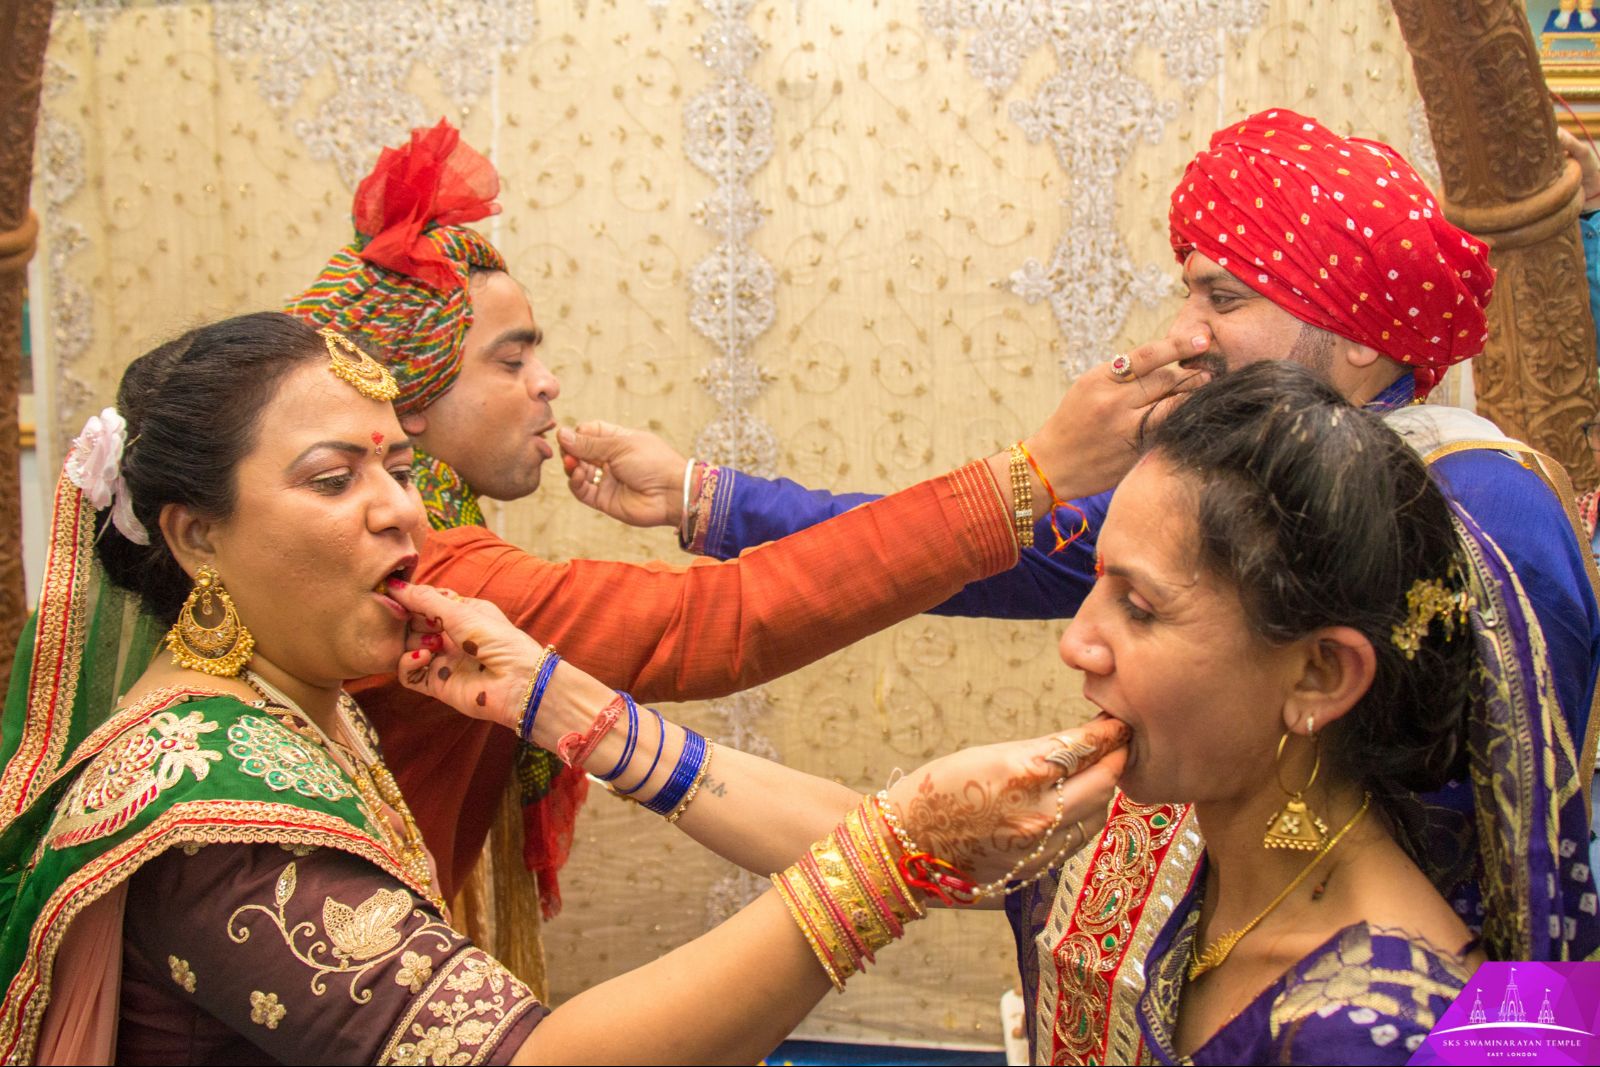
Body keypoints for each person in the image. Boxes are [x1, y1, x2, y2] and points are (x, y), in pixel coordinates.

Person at [567, 108, 1600, 970]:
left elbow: (1532, 860)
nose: (1185, 327)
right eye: (1190, 288)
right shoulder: (1247, 486)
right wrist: (706, 496)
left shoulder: (1485, 511)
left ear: (1366, 334)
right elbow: (989, 545)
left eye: (1221, 296)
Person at [0, 311, 1127, 1064]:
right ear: (197, 538)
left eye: (397, 465)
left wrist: (570, 711)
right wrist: (886, 858)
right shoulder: (210, 803)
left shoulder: (307, 694)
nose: (400, 508)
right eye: (334, 479)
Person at [286, 119, 1206, 981]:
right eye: (511, 360)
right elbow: (717, 623)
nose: (547, 382)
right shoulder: (434, 574)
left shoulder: (441, 544)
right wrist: (1032, 471)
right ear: (407, 397)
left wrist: (697, 494)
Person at [1026, 361, 1541, 1064]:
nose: (1075, 643)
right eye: (1096, 582)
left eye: (1140, 608)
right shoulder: (1169, 837)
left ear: (1319, 676)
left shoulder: (1380, 1036)